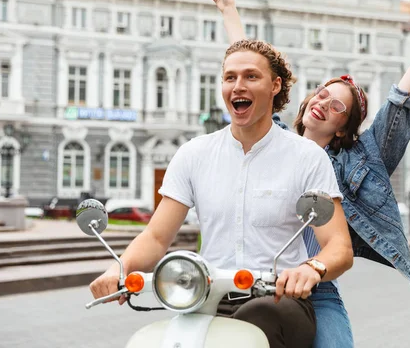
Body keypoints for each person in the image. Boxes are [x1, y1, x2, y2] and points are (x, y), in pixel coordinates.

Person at [208, 0, 410, 348]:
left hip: (317, 287)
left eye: (337, 107)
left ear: (343, 128)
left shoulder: (353, 162)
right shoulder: (270, 140)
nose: (323, 103)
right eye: (322, 94)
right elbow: (251, 70)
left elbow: (399, 103)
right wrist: (228, 11)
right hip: (254, 282)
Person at [89, 39, 354, 348]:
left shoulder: (306, 156)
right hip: (206, 297)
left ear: (275, 85)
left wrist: (311, 269)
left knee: (259, 315)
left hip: (279, 300)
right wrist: (118, 268)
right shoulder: (193, 154)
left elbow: (338, 246)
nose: (238, 86)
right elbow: (157, 238)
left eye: (251, 76)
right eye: (230, 77)